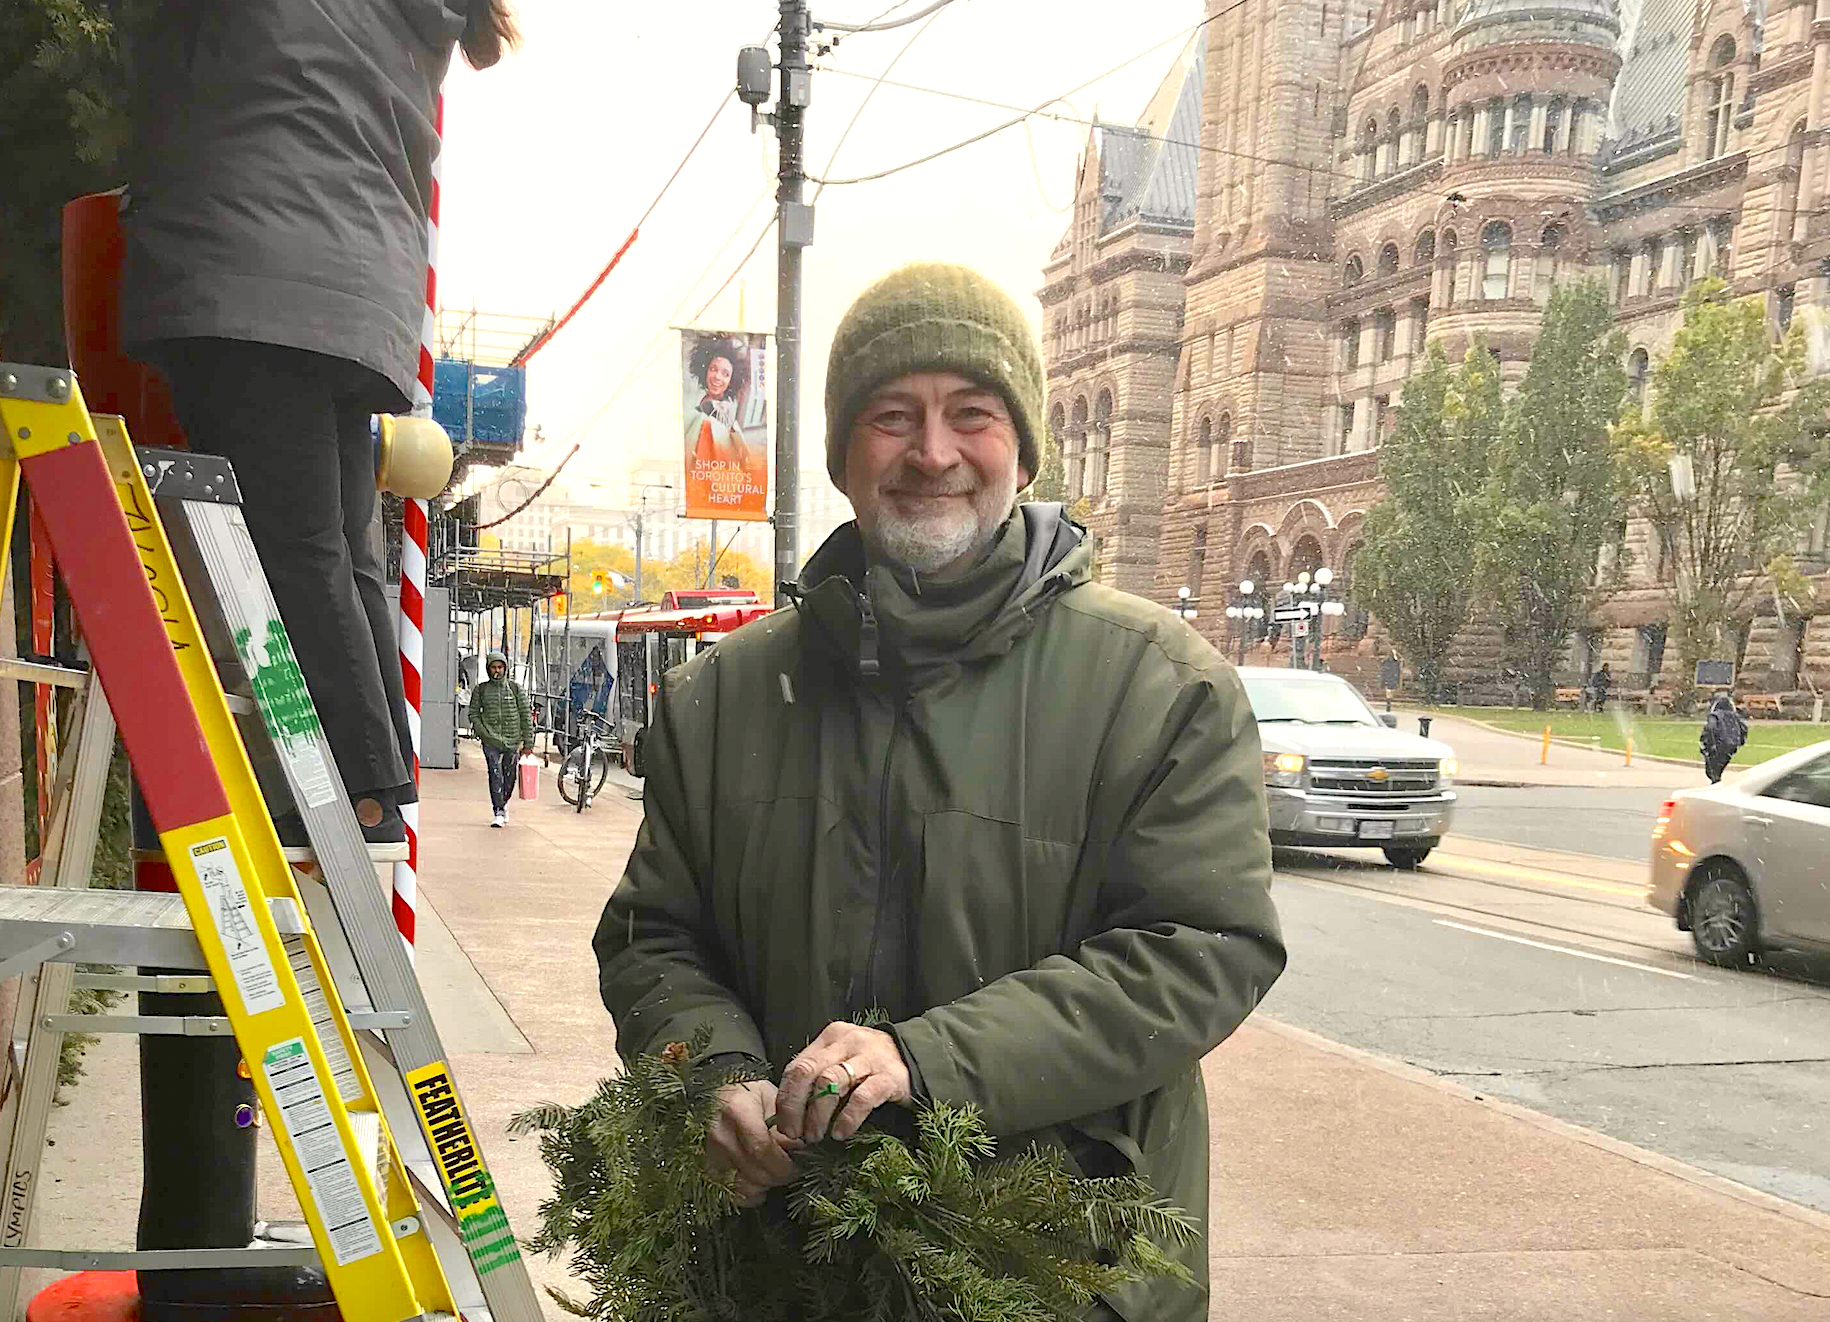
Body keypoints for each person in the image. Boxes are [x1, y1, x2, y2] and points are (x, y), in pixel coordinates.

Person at [595, 262, 1286, 1322]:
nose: (933, 452)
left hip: (1062, 1274)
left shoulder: (1159, 685)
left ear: (1021, 444)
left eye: (972, 413)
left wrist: (927, 1060)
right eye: (892, 416)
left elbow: (1202, 944)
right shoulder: (723, 697)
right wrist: (714, 1074)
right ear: (842, 454)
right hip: (785, 1271)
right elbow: (653, 935)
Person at [119, 0, 519, 843]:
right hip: (352, 290)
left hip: (250, 265)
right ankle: (377, 780)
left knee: (300, 551)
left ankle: (357, 787)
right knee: (338, 549)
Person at [471, 652, 534, 827]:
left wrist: (528, 743)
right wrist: (483, 732)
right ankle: (498, 810)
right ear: (488, 669)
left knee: (510, 776)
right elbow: (473, 713)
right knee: (495, 773)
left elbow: (525, 715)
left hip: (512, 740)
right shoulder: (481, 690)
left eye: (500, 667)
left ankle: (503, 802)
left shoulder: (515, 689)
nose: (497, 671)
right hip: (490, 740)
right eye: (493, 667)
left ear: (505, 668)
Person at [686, 335, 755, 469]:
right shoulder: (702, 401)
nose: (717, 377)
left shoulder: (723, 409)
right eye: (713, 369)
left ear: (731, 381)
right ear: (705, 370)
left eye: (726, 374)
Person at [1700, 691, 1748, 783]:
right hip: (1731, 746)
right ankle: (1716, 780)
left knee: (1712, 769)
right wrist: (1740, 742)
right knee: (1719, 767)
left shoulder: (1714, 716)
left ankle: (1715, 784)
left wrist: (1709, 743)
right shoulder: (1736, 717)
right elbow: (1744, 729)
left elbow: (1711, 729)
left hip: (1717, 746)